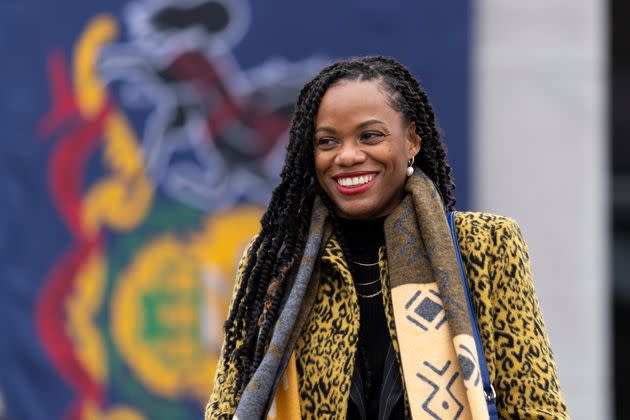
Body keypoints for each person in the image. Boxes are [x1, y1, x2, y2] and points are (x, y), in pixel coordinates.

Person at [206, 56, 568, 419]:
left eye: (370, 136)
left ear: (411, 140)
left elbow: (537, 409)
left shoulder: (487, 245)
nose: (347, 156)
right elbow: (227, 407)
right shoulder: (273, 263)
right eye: (327, 141)